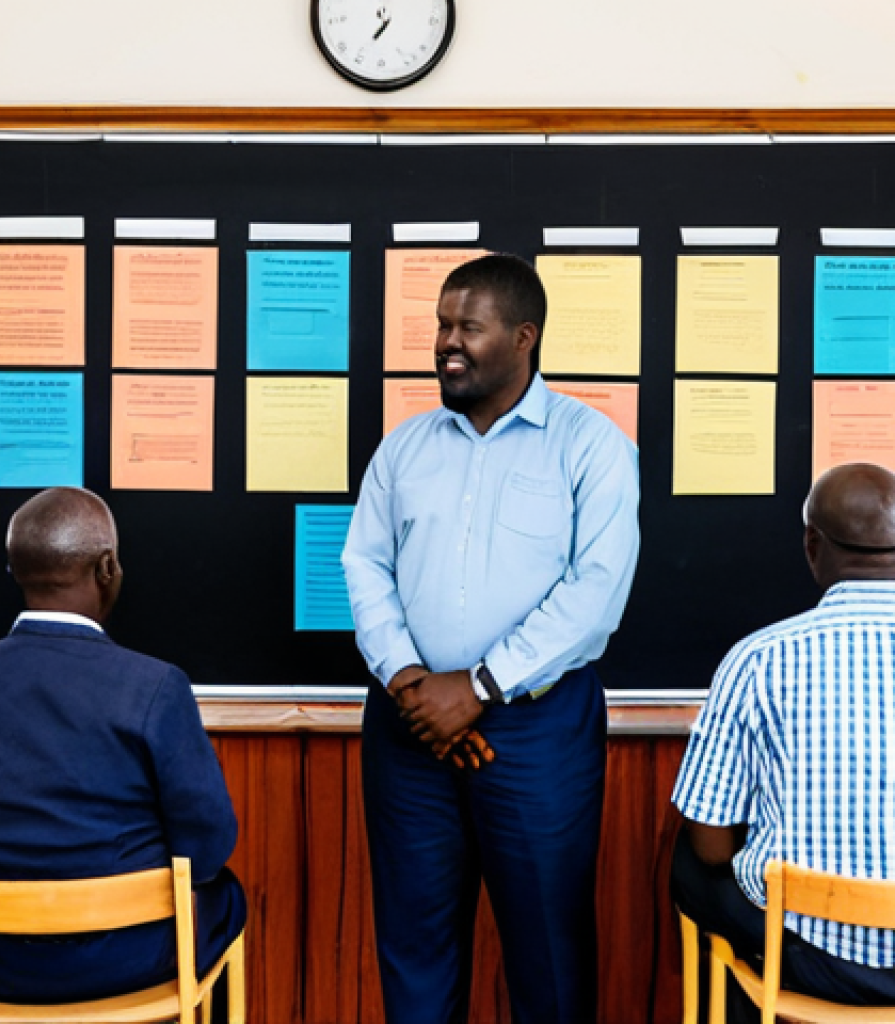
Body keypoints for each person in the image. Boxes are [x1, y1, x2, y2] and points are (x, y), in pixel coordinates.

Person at [342, 253, 641, 1024]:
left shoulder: (590, 444)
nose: (446, 342)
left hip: (536, 732)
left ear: (522, 337)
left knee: (548, 953)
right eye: (441, 324)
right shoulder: (404, 448)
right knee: (414, 949)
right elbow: (365, 564)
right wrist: (413, 685)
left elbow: (595, 595)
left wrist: (475, 689)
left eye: (467, 327)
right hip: (410, 732)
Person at [0, 487, 245, 1003]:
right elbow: (207, 845)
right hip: (124, 962)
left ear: (14, 570)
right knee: (226, 896)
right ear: (108, 568)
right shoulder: (154, 687)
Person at [672, 462, 895, 1022]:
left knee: (687, 862)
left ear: (812, 544)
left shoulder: (759, 659)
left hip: (821, 960)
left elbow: (712, 846)